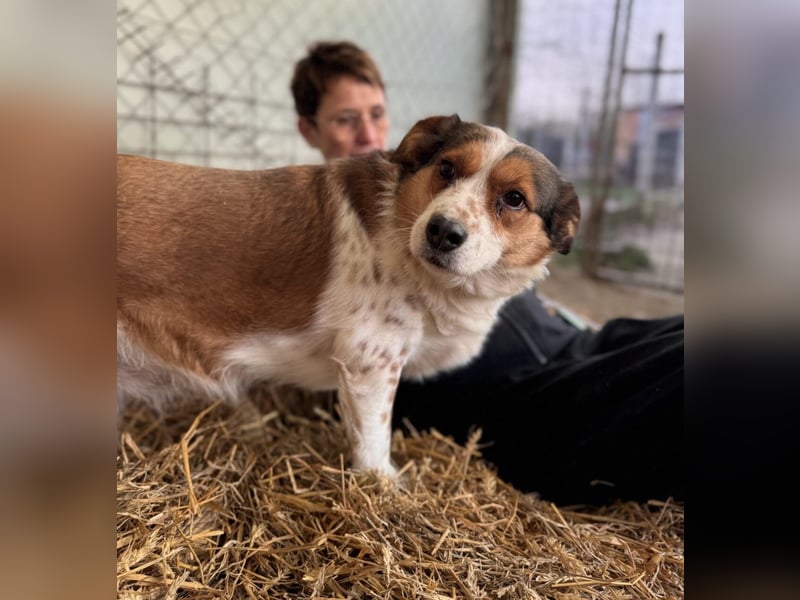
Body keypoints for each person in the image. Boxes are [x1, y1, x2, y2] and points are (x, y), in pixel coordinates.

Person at [290, 41, 683, 505]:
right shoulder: (321, 224)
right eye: (344, 120)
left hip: (577, 340)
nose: (368, 134)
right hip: (520, 393)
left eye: (376, 114)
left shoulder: (421, 184)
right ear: (309, 129)